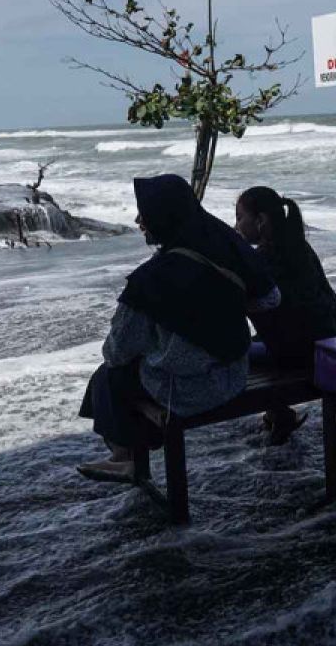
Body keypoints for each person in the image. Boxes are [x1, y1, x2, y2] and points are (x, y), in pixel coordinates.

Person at [80, 174, 279, 475]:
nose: (138, 220)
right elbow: (270, 299)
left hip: (188, 390)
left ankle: (125, 457)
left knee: (108, 377)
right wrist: (221, 308)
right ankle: (131, 449)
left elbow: (116, 352)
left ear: (163, 216)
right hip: (235, 373)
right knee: (120, 376)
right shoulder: (227, 243)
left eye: (144, 213)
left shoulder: (151, 280)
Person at [235, 186, 336, 444]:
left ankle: (280, 414)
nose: (236, 225)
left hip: (297, 355)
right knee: (258, 339)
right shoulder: (300, 247)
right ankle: (279, 414)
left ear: (260, 221)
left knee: (233, 351)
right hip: (326, 341)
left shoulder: (262, 258)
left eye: (240, 217)